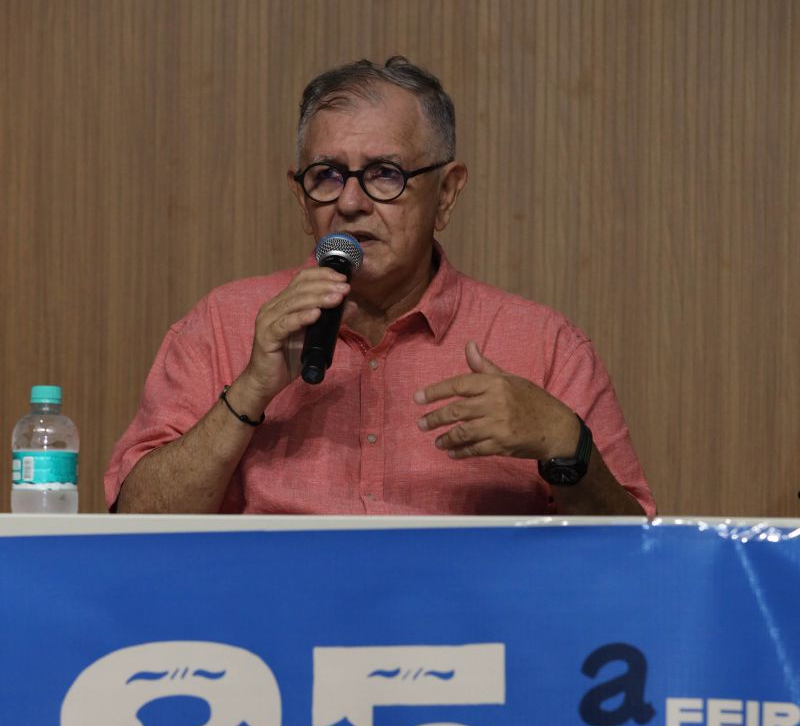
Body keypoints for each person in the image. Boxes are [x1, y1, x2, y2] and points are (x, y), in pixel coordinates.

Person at [106, 57, 655, 517]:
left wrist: (566, 443)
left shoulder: (543, 345)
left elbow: (641, 560)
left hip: (472, 641)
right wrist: (250, 389)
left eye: (385, 174)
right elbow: (131, 532)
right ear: (301, 199)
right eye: (326, 175)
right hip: (276, 637)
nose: (350, 202)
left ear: (446, 194)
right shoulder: (223, 326)